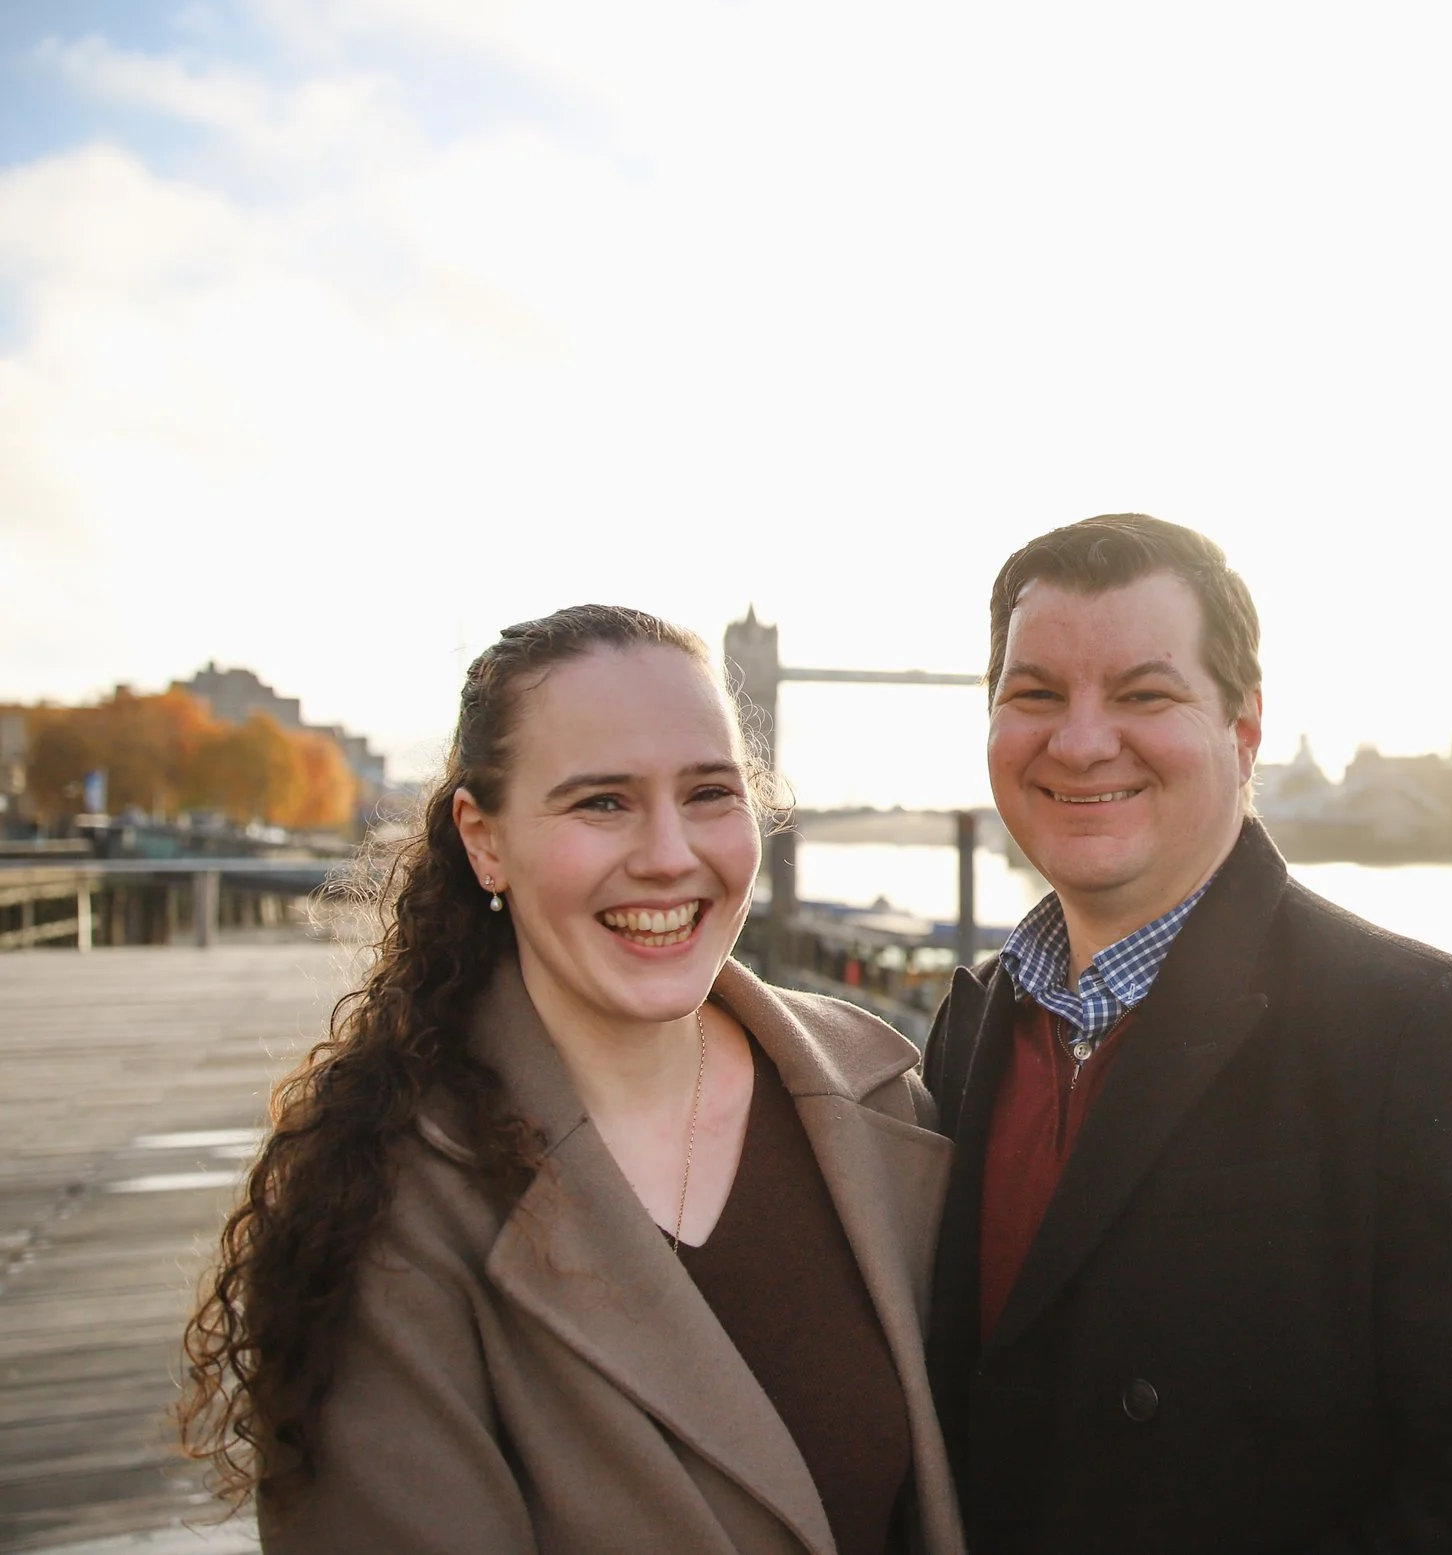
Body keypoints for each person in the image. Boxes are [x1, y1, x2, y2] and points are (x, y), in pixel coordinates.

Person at [178, 605, 965, 1555]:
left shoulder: (881, 1094)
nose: (670, 854)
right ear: (485, 838)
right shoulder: (382, 1208)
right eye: (602, 801)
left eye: (710, 792)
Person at [920, 515, 1452, 1554]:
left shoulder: (1414, 1025)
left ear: (1242, 729)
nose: (1080, 738)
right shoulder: (975, 1020)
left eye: (1144, 694)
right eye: (1036, 694)